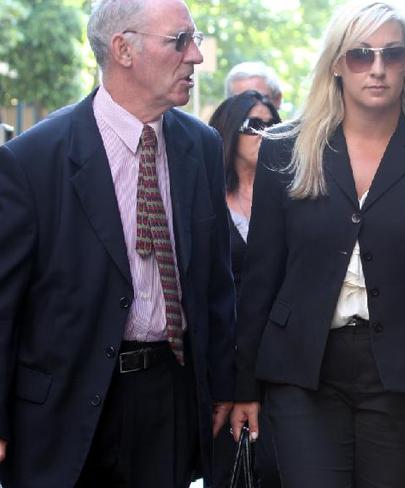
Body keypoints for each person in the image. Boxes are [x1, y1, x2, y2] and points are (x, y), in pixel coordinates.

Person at [230, 2, 405, 487]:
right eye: (361, 55)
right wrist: (241, 386)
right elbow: (262, 277)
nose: (377, 68)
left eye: (392, 54)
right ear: (337, 63)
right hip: (304, 371)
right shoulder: (286, 149)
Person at [0, 0, 236, 486]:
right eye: (179, 41)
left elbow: (216, 282)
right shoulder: (32, 160)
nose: (196, 57)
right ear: (123, 49)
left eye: (195, 40)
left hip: (168, 398)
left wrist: (226, 384)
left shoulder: (202, 147)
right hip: (65, 405)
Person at [208, 90, 281, 487]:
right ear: (228, 133)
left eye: (273, 126)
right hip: (222, 361)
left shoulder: (293, 197)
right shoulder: (205, 200)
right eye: (254, 125)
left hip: (279, 366)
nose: (265, 134)